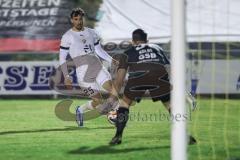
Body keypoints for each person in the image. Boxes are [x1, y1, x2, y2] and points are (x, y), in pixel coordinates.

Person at [109, 29, 197, 145]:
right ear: (147, 40)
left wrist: (113, 95)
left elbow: (120, 78)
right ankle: (184, 135)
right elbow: (170, 69)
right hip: (158, 75)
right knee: (169, 104)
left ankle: (118, 136)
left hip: (138, 75)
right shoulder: (157, 47)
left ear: (132, 42)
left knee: (125, 103)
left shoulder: (128, 52)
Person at [59, 8, 118, 126]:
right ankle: (80, 110)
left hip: (98, 67)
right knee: (98, 101)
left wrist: (111, 60)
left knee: (113, 91)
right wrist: (66, 76)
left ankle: (114, 115)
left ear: (83, 19)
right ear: (72, 20)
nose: (79, 21)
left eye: (80, 19)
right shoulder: (67, 37)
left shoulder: (92, 32)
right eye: (76, 19)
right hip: (83, 74)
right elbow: (62, 58)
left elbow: (99, 50)